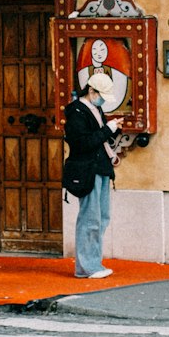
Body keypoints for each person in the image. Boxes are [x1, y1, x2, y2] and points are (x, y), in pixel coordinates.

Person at [63, 70, 120, 279]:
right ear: (91, 90)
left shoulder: (89, 110)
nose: (103, 100)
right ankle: (87, 267)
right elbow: (82, 143)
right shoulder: (77, 112)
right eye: (101, 95)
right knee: (91, 219)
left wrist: (110, 134)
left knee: (101, 217)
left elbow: (95, 140)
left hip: (98, 167)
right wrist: (108, 129)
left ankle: (92, 263)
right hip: (89, 169)